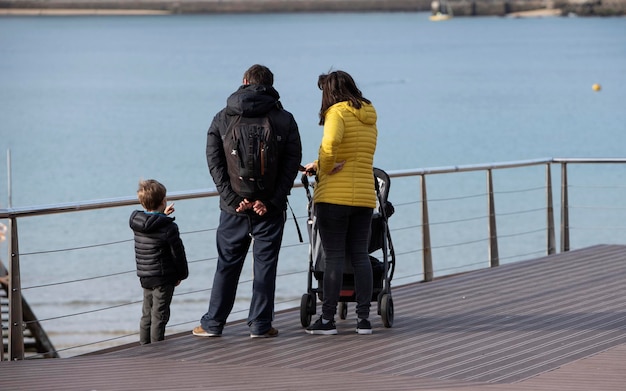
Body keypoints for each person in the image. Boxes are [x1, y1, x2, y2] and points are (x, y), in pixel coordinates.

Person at [193, 64, 302, 338]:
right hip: (270, 207)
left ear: (244, 81)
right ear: (271, 85)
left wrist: (232, 197)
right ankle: (260, 326)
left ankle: (213, 324)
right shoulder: (284, 118)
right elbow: (292, 164)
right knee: (265, 266)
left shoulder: (223, 117)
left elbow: (214, 161)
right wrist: (272, 200)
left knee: (227, 265)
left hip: (233, 208)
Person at [303, 70, 378, 335]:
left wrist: (324, 166)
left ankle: (327, 320)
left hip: (334, 196)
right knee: (360, 255)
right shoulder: (368, 114)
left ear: (330, 92)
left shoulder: (336, 112)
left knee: (333, 257)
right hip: (365, 196)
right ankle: (364, 320)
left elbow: (331, 143)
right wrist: (326, 162)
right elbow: (357, 153)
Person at [129, 179, 189, 345]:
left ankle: (144, 347)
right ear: (164, 201)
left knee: (146, 314)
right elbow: (178, 254)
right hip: (163, 278)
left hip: (146, 275)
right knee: (159, 316)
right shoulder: (170, 228)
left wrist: (162, 215)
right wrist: (182, 275)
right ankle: (157, 349)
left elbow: (153, 221)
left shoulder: (138, 223)